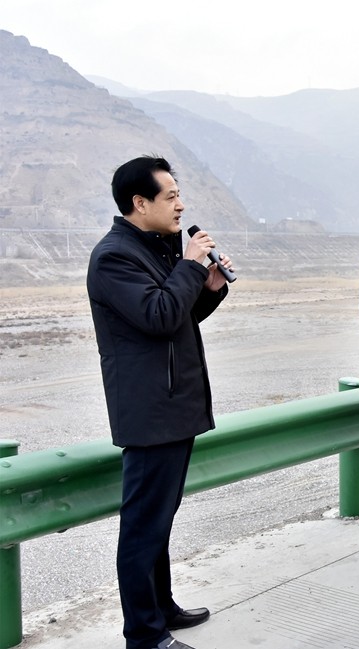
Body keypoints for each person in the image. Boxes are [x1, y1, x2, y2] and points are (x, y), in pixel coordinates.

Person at [87, 156, 234, 649]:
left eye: (178, 194)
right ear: (139, 202)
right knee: (142, 529)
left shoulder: (155, 248)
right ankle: (144, 635)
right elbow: (157, 315)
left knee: (160, 521)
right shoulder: (114, 257)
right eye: (170, 196)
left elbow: (176, 319)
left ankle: (162, 607)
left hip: (174, 405)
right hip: (150, 411)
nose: (180, 205)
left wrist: (208, 288)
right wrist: (190, 265)